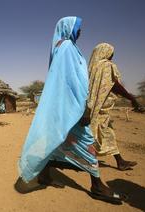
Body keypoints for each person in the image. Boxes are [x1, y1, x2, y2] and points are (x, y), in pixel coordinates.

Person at [16, 17, 125, 204]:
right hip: (72, 108)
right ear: (68, 28)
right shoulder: (66, 47)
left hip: (67, 107)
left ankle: (44, 172)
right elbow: (71, 81)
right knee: (87, 143)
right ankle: (97, 186)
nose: (81, 31)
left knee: (58, 141)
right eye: (78, 27)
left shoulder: (64, 47)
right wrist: (83, 109)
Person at [87, 43, 145, 170]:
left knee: (107, 134)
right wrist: (132, 98)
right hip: (101, 109)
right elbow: (115, 86)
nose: (112, 55)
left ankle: (120, 161)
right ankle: (88, 164)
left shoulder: (92, 68)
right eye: (111, 52)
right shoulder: (107, 66)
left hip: (94, 108)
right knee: (95, 136)